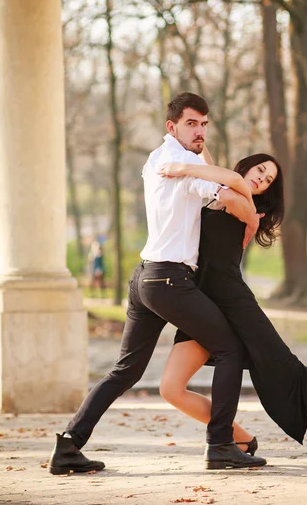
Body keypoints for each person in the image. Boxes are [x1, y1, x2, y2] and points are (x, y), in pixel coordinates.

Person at [48, 92, 267, 475]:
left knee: (126, 370)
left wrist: (202, 156)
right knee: (230, 348)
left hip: (146, 277)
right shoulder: (182, 165)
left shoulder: (160, 156)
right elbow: (233, 192)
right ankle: (220, 446)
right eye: (191, 123)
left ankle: (69, 445)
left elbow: (207, 171)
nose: (199, 131)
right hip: (169, 279)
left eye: (204, 124)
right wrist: (251, 217)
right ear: (172, 126)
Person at [157, 154, 307, 476]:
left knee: (291, 370)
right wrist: (198, 150)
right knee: (171, 388)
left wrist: (182, 168)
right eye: (260, 170)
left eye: (269, 180)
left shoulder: (245, 203)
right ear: (246, 165)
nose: (262, 179)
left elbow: (228, 182)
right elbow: (214, 169)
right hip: (200, 304)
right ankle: (241, 440)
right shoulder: (217, 192)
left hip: (235, 304)